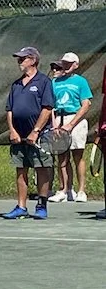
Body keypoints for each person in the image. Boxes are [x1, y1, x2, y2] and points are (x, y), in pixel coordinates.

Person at [4, 46, 55, 220]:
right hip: (18, 136)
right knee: (21, 170)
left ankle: (41, 205)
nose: (19, 61)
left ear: (33, 60)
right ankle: (21, 206)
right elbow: (9, 109)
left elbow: (47, 108)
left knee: (42, 169)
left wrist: (36, 131)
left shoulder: (44, 82)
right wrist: (12, 130)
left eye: (22, 58)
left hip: (40, 136)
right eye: (19, 58)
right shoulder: (16, 84)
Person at [49, 53, 92, 202]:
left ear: (76, 65)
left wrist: (71, 124)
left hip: (76, 120)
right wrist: (55, 124)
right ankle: (65, 190)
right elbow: (51, 106)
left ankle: (81, 191)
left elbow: (86, 104)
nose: (65, 66)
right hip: (59, 121)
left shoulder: (81, 81)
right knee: (62, 157)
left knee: (77, 156)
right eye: (64, 63)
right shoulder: (54, 82)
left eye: (69, 63)